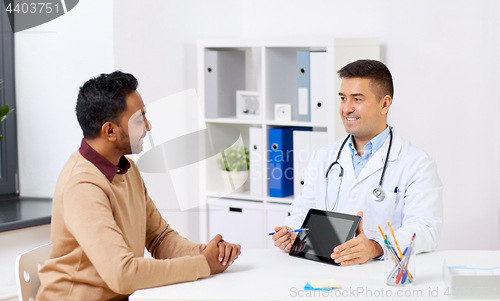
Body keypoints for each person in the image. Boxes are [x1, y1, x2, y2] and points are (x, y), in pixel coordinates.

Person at [37, 71, 241, 301]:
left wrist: (205, 254)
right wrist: (203, 265)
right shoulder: (83, 185)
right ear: (110, 131)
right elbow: (123, 275)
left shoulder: (126, 170)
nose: (148, 126)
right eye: (139, 119)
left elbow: (160, 238)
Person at [271, 59, 443, 266]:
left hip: (380, 277)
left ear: (385, 104)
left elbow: (425, 228)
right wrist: (290, 233)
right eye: (343, 98)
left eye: (357, 99)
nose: (347, 108)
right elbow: (301, 213)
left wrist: (376, 246)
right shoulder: (323, 158)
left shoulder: (417, 164)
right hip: (324, 274)